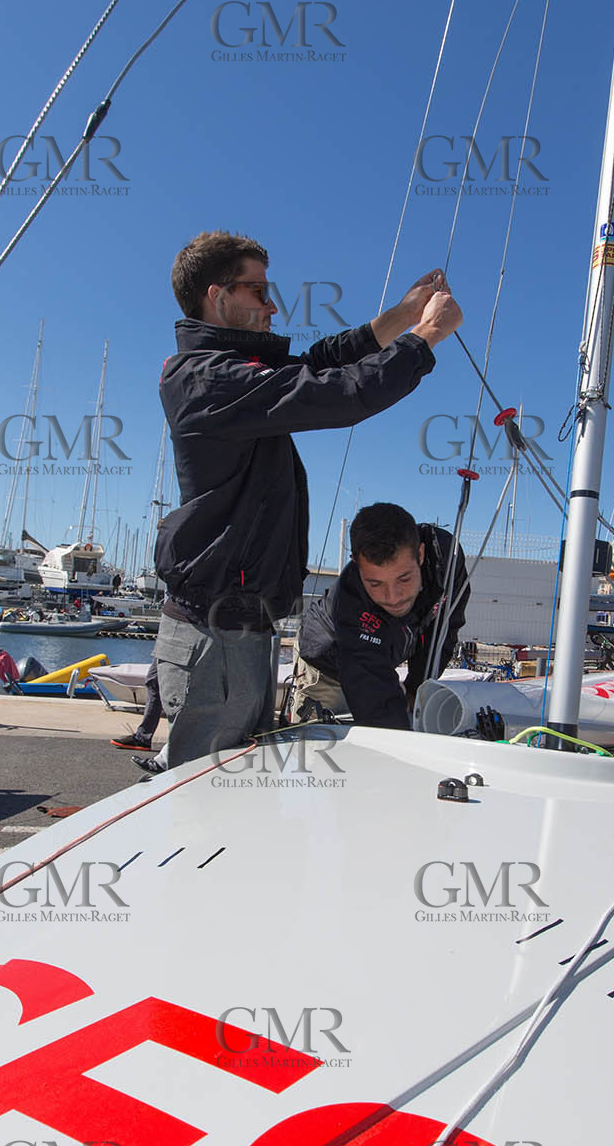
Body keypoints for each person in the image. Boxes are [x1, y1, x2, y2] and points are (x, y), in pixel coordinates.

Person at [154, 231, 463, 768]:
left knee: (232, 794)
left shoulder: (233, 375)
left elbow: (321, 362)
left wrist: (401, 315)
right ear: (217, 295)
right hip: (215, 634)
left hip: (238, 630)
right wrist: (425, 336)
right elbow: (335, 393)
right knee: (200, 798)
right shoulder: (208, 379)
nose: (272, 305)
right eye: (257, 291)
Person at [290, 502, 469, 729]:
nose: (392, 597)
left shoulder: (446, 562)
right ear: (356, 565)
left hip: (381, 658)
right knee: (322, 747)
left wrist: (416, 686)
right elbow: (369, 684)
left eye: (404, 579)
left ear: (421, 554)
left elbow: (444, 628)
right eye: (375, 583)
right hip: (327, 662)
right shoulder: (350, 600)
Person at [110, 657, 163, 753]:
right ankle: (142, 737)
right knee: (154, 682)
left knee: (155, 682)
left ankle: (143, 737)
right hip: (167, 647)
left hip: (175, 647)